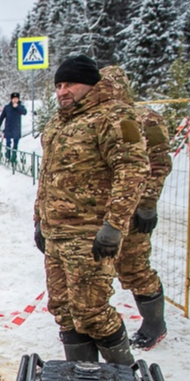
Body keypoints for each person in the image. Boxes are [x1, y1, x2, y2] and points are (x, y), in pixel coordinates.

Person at [33, 54, 150, 365]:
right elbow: (46, 176)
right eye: (58, 85)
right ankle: (81, 379)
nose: (62, 91)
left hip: (90, 235)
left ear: (90, 84)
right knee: (64, 310)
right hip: (56, 234)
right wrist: (38, 222)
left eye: (69, 84)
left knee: (92, 312)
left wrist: (114, 225)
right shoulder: (59, 121)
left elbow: (132, 170)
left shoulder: (112, 116)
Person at [98, 66, 172, 350]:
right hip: (104, 209)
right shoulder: (99, 118)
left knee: (134, 267)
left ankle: (155, 324)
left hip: (134, 209)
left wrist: (147, 204)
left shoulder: (145, 119)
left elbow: (159, 164)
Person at [0, 92, 27, 162]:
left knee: (15, 144)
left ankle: (14, 157)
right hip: (8, 128)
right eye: (14, 99)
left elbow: (24, 112)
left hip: (16, 128)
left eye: (16, 99)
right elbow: (1, 117)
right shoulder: (7, 108)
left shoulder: (20, 107)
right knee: (8, 143)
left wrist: (17, 107)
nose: (15, 100)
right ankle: (8, 156)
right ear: (11, 99)